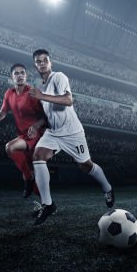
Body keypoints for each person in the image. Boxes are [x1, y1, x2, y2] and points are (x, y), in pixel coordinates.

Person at [29, 49, 115, 225]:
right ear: (35, 64)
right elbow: (49, 113)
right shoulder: (40, 85)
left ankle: (108, 188)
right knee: (38, 156)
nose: (42, 63)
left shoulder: (59, 77)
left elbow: (68, 100)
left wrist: (42, 96)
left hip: (72, 132)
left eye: (45, 60)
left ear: (50, 62)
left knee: (85, 166)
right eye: (38, 61)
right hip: (53, 132)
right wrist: (37, 125)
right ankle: (48, 204)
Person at [0, 63, 46, 199]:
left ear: (26, 76)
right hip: (23, 135)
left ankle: (29, 179)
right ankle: (31, 182)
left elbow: (46, 116)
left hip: (37, 135)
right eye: (16, 73)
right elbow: (2, 113)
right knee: (36, 186)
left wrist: (36, 126)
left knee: (10, 147)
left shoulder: (33, 93)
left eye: (22, 73)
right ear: (12, 77)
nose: (19, 75)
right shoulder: (9, 93)